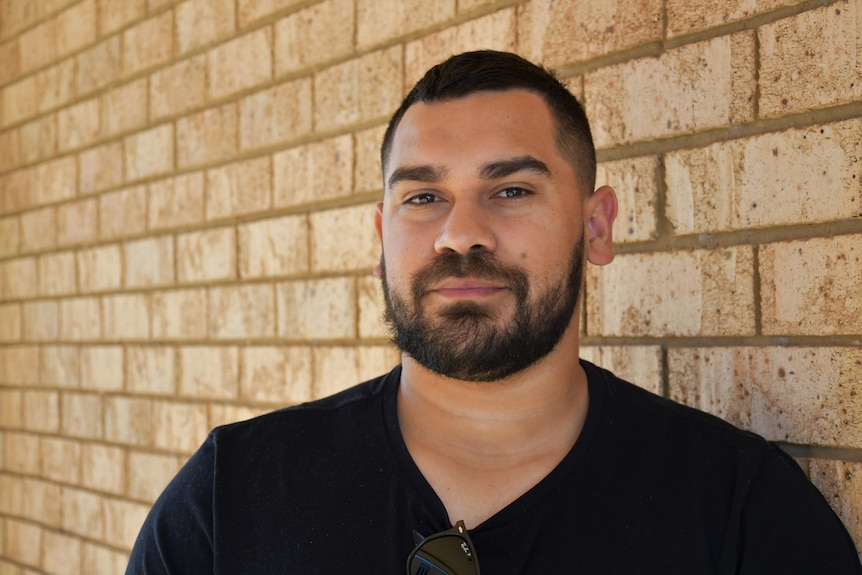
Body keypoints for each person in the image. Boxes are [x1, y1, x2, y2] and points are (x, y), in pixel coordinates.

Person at [126, 50, 861, 574]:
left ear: (596, 227)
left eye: (510, 189)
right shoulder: (232, 497)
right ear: (382, 241)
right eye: (423, 196)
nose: (460, 232)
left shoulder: (738, 512)